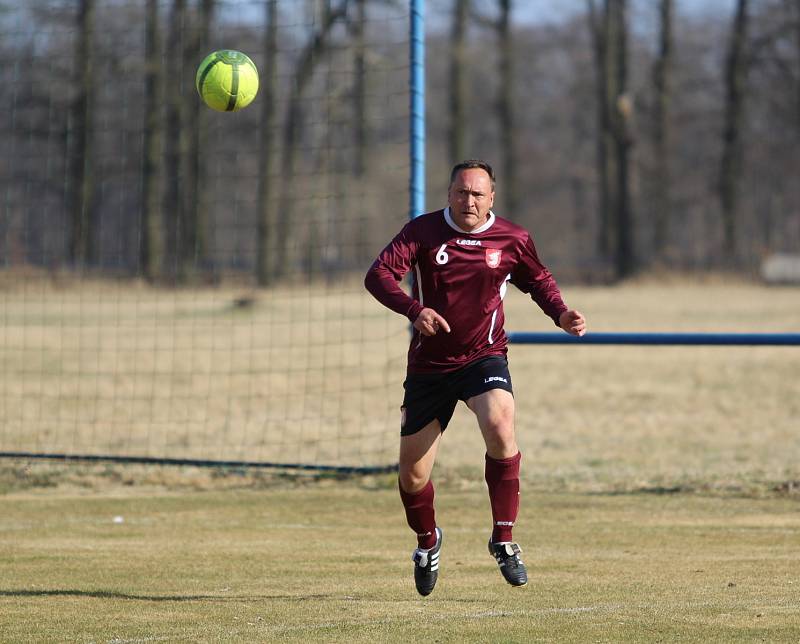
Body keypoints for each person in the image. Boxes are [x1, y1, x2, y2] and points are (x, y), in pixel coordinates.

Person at [364, 159, 586, 596]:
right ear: (448, 194)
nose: (469, 200)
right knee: (412, 476)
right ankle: (428, 542)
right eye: (461, 192)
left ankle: (503, 538)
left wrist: (561, 312)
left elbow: (537, 279)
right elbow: (378, 275)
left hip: (484, 357)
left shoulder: (512, 238)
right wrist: (415, 310)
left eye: (477, 194)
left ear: (492, 198)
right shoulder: (422, 232)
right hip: (429, 367)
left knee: (501, 424)